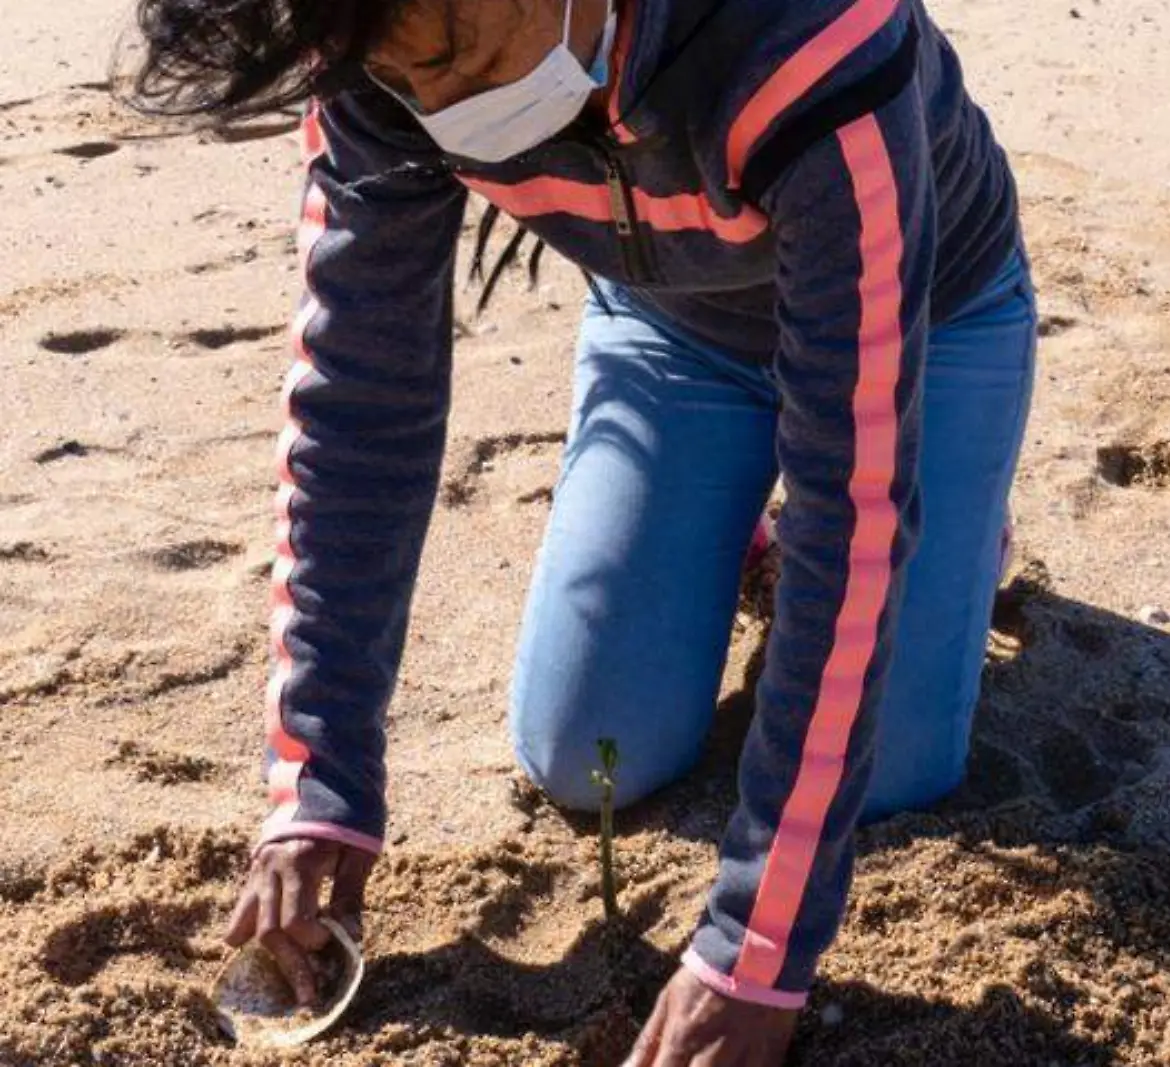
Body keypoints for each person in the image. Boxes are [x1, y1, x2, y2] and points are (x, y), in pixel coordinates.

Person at [123, 0, 1034, 1060]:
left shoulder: (816, 43)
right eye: (408, 78)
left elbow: (856, 516)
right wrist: (316, 782)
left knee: (897, 776)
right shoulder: (368, 42)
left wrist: (755, 944)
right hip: (673, 336)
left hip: (925, 330)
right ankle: (729, 521)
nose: (442, 110)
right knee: (587, 753)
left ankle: (967, 532)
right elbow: (358, 410)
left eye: (459, 60)